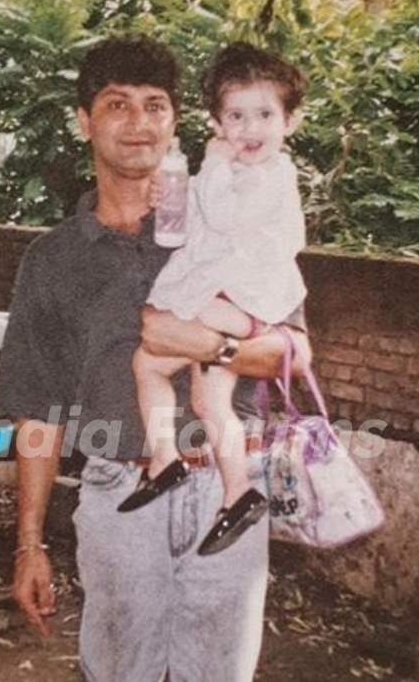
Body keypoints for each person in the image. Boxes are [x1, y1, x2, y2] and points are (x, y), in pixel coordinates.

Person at [0, 34, 312, 682]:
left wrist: (204, 345)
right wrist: (29, 544)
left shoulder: (230, 217)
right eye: (117, 105)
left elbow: (294, 351)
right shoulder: (53, 261)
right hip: (119, 493)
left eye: (154, 104)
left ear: (176, 120)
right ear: (84, 121)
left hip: (230, 489)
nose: (139, 123)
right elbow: (38, 411)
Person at [119, 43, 308, 558]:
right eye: (236, 116)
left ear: (290, 121)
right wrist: (171, 198)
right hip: (222, 295)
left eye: (265, 115)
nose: (250, 129)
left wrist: (213, 165)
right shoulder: (222, 173)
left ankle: (174, 465)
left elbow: (227, 220)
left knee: (156, 336)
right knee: (183, 387)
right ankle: (225, 486)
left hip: (246, 301)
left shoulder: (275, 176)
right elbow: (192, 234)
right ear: (217, 120)